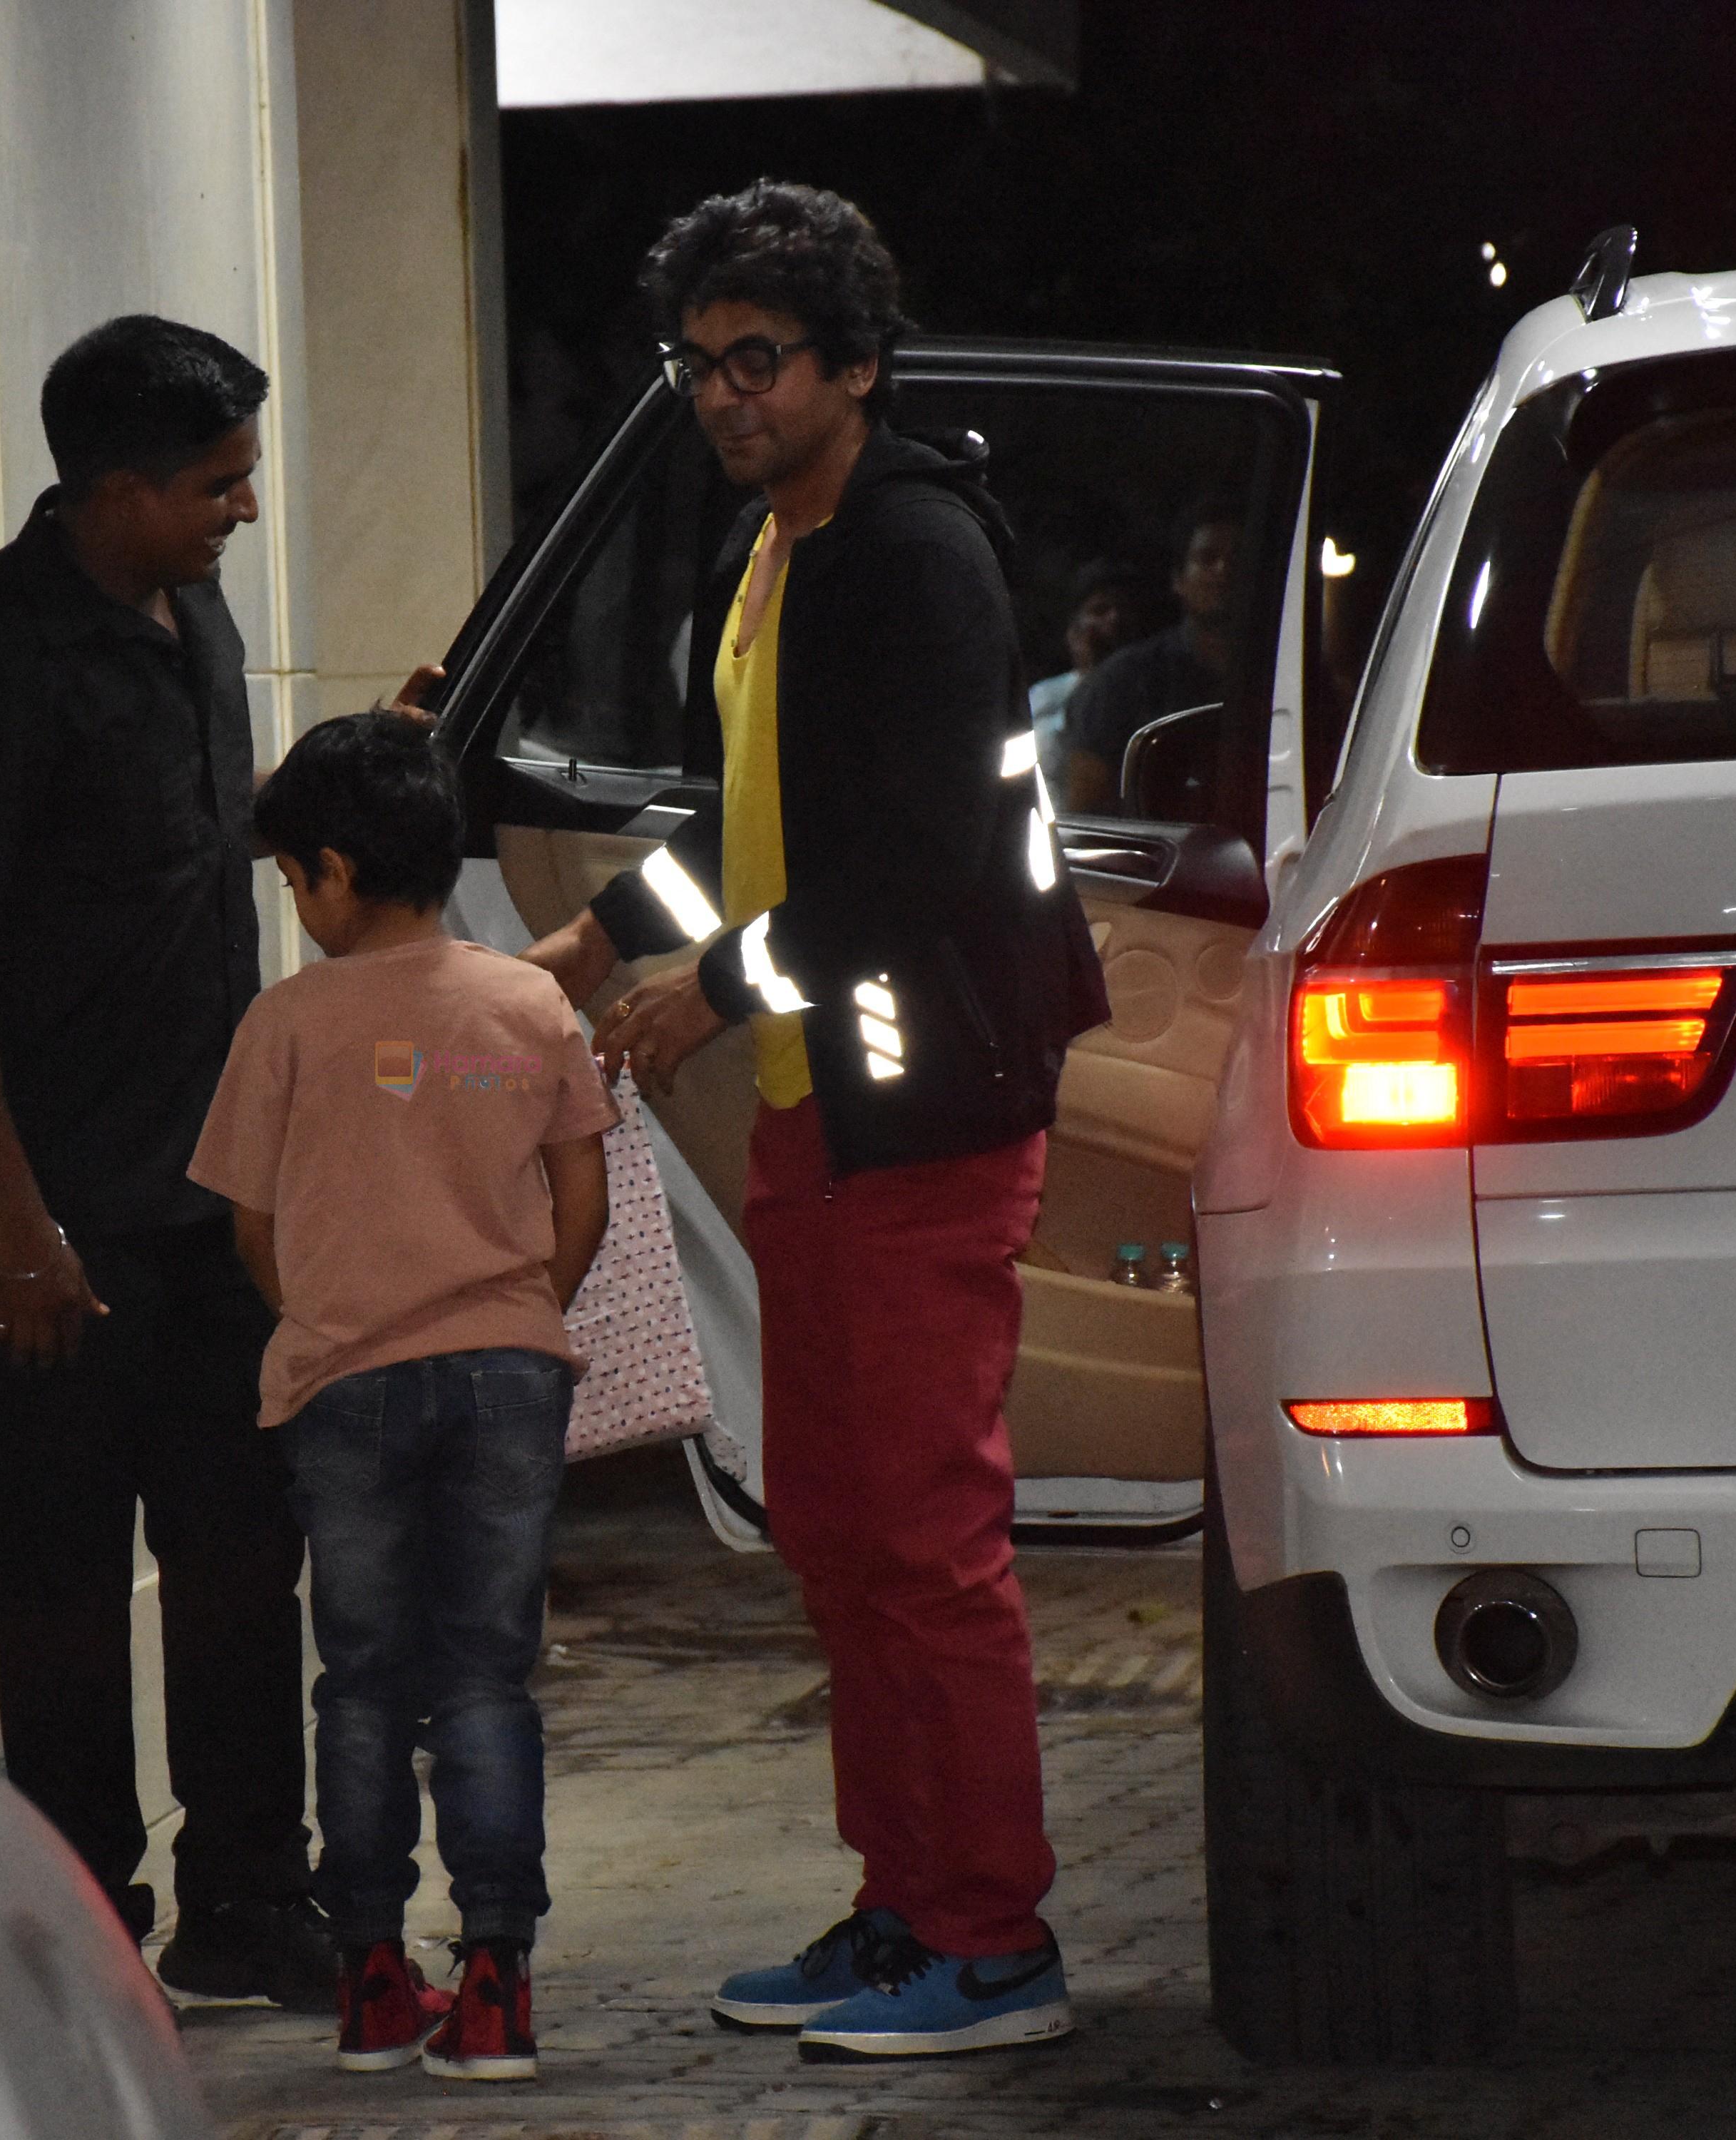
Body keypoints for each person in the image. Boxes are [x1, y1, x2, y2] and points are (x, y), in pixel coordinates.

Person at [519, 179, 1108, 2061]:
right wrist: (604, 931)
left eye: (757, 361)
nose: (722, 398)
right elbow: (750, 817)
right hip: (821, 1110)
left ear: (854, 362)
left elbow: (919, 857)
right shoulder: (772, 556)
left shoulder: (911, 552)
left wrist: (722, 980)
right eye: (698, 366)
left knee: (925, 1538)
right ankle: (899, 1908)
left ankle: (991, 1944)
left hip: (925, 1104)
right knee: (840, 1529)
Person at [0, 313, 333, 2009]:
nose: (243, 513)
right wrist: (14, 1219)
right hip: (53, 1204)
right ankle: (84, 1915)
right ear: (117, 484)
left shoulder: (194, 617)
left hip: (213, 1187)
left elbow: (203, 844)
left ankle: (249, 1898)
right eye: (217, 486)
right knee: (67, 1563)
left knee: (237, 1545)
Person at [189, 712, 616, 2082]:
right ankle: (496, 1978)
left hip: (344, 1382)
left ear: (332, 871)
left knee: (362, 1682)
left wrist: (330, 1314)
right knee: (487, 1675)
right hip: (509, 1376)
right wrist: (514, 1307)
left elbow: (252, 1226)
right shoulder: (527, 1004)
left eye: (292, 881)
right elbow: (584, 1197)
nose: (294, 904)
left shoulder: (286, 1021)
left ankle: (372, 1975)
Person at [1058, 496, 1239, 812]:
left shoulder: (1288, 672)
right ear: (1179, 580)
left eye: (1237, 559)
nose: (1223, 571)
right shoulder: (1117, 686)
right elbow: (1086, 819)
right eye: (1207, 558)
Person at [1024, 558, 1148, 797]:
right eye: (1099, 611)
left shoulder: (1146, 691)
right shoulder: (1045, 696)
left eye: (1123, 609)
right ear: (1073, 630)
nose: (1114, 619)